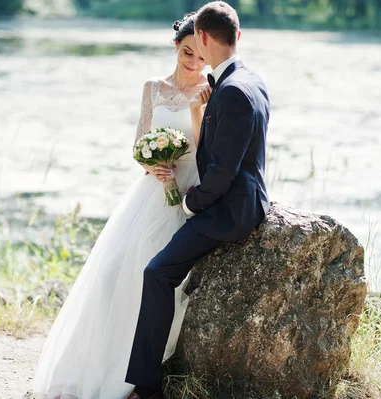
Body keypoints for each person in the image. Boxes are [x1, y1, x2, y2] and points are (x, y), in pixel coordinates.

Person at [30, 13, 212, 399]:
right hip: (150, 195)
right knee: (117, 273)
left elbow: (206, 150)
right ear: (176, 47)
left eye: (200, 55)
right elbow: (138, 146)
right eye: (186, 52)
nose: (193, 62)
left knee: (159, 280)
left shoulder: (209, 90)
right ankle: (102, 365)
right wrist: (153, 165)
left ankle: (136, 377)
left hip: (187, 196)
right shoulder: (153, 88)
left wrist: (198, 110)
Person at [124, 2, 270, 399]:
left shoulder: (232, 92)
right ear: (236, 36)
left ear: (203, 38)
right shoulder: (249, 79)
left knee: (157, 273)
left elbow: (220, 175)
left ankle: (146, 387)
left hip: (230, 210)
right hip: (237, 198)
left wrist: (189, 204)